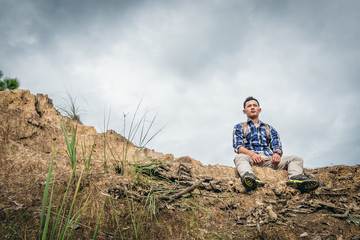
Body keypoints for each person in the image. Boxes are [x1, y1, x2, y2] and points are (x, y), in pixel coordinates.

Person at [233, 96, 319, 192]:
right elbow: (238, 147)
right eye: (249, 106)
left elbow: (277, 145)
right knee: (239, 157)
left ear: (259, 109)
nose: (252, 107)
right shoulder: (239, 127)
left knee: (296, 159)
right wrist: (253, 154)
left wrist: (277, 154)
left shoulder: (269, 128)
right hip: (251, 158)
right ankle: (249, 178)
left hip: (270, 160)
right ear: (244, 111)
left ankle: (296, 178)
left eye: (255, 105)